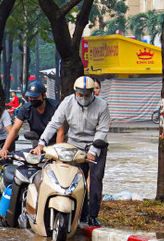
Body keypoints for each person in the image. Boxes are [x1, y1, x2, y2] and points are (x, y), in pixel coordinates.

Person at [33, 75, 111, 227]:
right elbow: (54, 124)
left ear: (93, 92)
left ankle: (93, 214)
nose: (83, 97)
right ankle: (80, 213)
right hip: (75, 146)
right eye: (80, 94)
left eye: (87, 94)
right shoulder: (67, 103)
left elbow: (102, 130)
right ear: (75, 92)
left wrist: (93, 151)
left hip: (96, 145)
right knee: (74, 179)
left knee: (95, 179)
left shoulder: (102, 105)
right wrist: (41, 144)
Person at [2, 80, 54, 159]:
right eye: (30, 97)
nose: (32, 99)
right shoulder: (26, 109)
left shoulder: (54, 107)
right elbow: (15, 129)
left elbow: (60, 131)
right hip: (37, 139)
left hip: (54, 140)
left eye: (35, 97)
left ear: (44, 95)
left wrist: (57, 152)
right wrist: (4, 149)